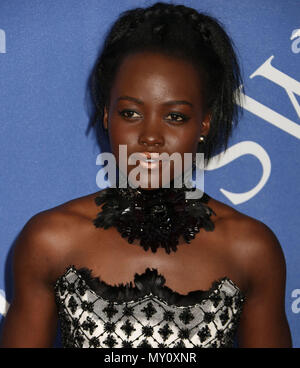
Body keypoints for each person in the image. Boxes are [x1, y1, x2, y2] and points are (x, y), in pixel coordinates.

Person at [0, 2, 292, 348]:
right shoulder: (49, 240)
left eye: (175, 117)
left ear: (204, 122)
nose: (151, 137)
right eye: (131, 112)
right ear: (107, 115)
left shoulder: (252, 250)